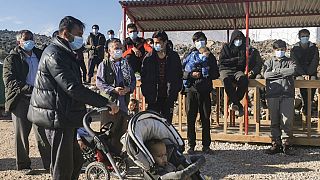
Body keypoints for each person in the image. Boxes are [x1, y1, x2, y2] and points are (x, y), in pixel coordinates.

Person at [27, 16, 119, 180]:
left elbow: (74, 85)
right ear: (65, 32)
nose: (80, 38)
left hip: (66, 116)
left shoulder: (67, 53)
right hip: (56, 117)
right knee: (63, 167)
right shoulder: (54, 54)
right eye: (78, 34)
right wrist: (105, 102)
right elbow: (72, 88)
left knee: (76, 162)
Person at [3, 30, 51, 174]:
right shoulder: (12, 59)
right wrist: (29, 89)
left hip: (40, 99)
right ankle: (24, 165)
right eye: (26, 39)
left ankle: (50, 164)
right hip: (21, 100)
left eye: (31, 38)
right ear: (19, 42)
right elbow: (10, 81)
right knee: (22, 134)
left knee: (43, 133)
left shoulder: (40, 54)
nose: (30, 41)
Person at [182, 32, 219, 154]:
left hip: (205, 91)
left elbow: (215, 73)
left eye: (202, 40)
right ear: (194, 42)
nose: (200, 42)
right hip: (191, 91)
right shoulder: (188, 55)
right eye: (197, 40)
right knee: (190, 119)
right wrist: (191, 74)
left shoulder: (210, 56)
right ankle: (191, 145)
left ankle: (206, 145)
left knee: (206, 118)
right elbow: (181, 71)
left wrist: (204, 73)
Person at [141, 30, 182, 124]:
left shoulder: (174, 57)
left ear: (165, 42)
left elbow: (179, 74)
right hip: (153, 97)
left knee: (167, 124)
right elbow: (144, 76)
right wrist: (146, 92)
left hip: (168, 96)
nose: (156, 45)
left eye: (158, 42)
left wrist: (175, 90)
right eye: (154, 43)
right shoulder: (148, 58)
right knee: (152, 123)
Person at [263, 39, 296, 155]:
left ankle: (286, 144)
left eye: (282, 50)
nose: (280, 51)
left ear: (285, 50)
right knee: (274, 120)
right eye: (278, 50)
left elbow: (292, 70)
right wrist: (283, 73)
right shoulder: (268, 62)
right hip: (273, 94)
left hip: (287, 94)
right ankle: (276, 143)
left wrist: (276, 72)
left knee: (287, 120)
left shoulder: (290, 61)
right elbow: (266, 74)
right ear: (274, 50)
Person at [96, 38, 136, 113]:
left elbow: (133, 80)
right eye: (116, 48)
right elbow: (99, 83)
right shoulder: (104, 64)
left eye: (121, 48)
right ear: (109, 51)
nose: (119, 50)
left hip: (124, 102)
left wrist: (129, 88)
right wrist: (113, 90)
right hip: (110, 103)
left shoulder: (126, 64)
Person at [219, 30, 249, 117]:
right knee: (226, 81)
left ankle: (233, 101)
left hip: (237, 71)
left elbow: (242, 63)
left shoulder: (243, 49)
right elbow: (222, 61)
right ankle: (238, 105)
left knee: (244, 79)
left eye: (240, 39)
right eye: (236, 39)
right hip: (225, 70)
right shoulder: (226, 47)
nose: (238, 41)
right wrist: (235, 60)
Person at [290, 29, 319, 115]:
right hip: (299, 73)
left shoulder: (314, 48)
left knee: (313, 81)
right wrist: (303, 73)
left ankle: (309, 102)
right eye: (303, 36)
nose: (305, 38)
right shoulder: (294, 49)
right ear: (299, 37)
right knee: (301, 81)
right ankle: (305, 102)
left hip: (311, 72)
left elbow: (315, 61)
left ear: (309, 37)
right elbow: (295, 62)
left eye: (306, 36)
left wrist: (309, 73)